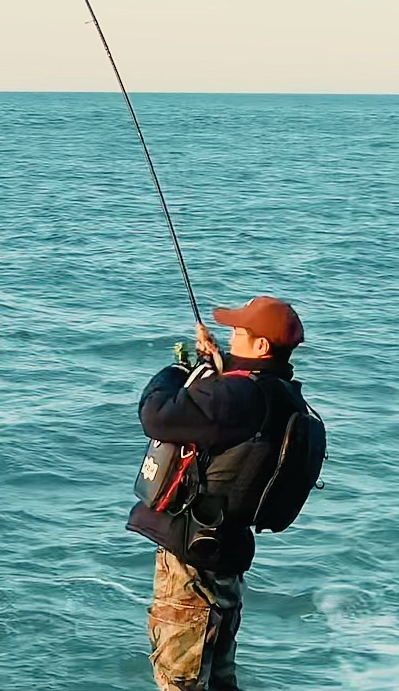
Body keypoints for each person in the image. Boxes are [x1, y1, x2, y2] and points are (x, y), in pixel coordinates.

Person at [126, 296, 309, 691]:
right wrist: (217, 364)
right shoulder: (283, 395)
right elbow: (236, 407)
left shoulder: (237, 397)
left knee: (180, 681)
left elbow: (156, 416)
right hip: (227, 552)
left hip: (192, 562)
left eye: (239, 333)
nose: (231, 338)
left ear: (261, 346)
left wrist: (179, 370)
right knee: (219, 678)